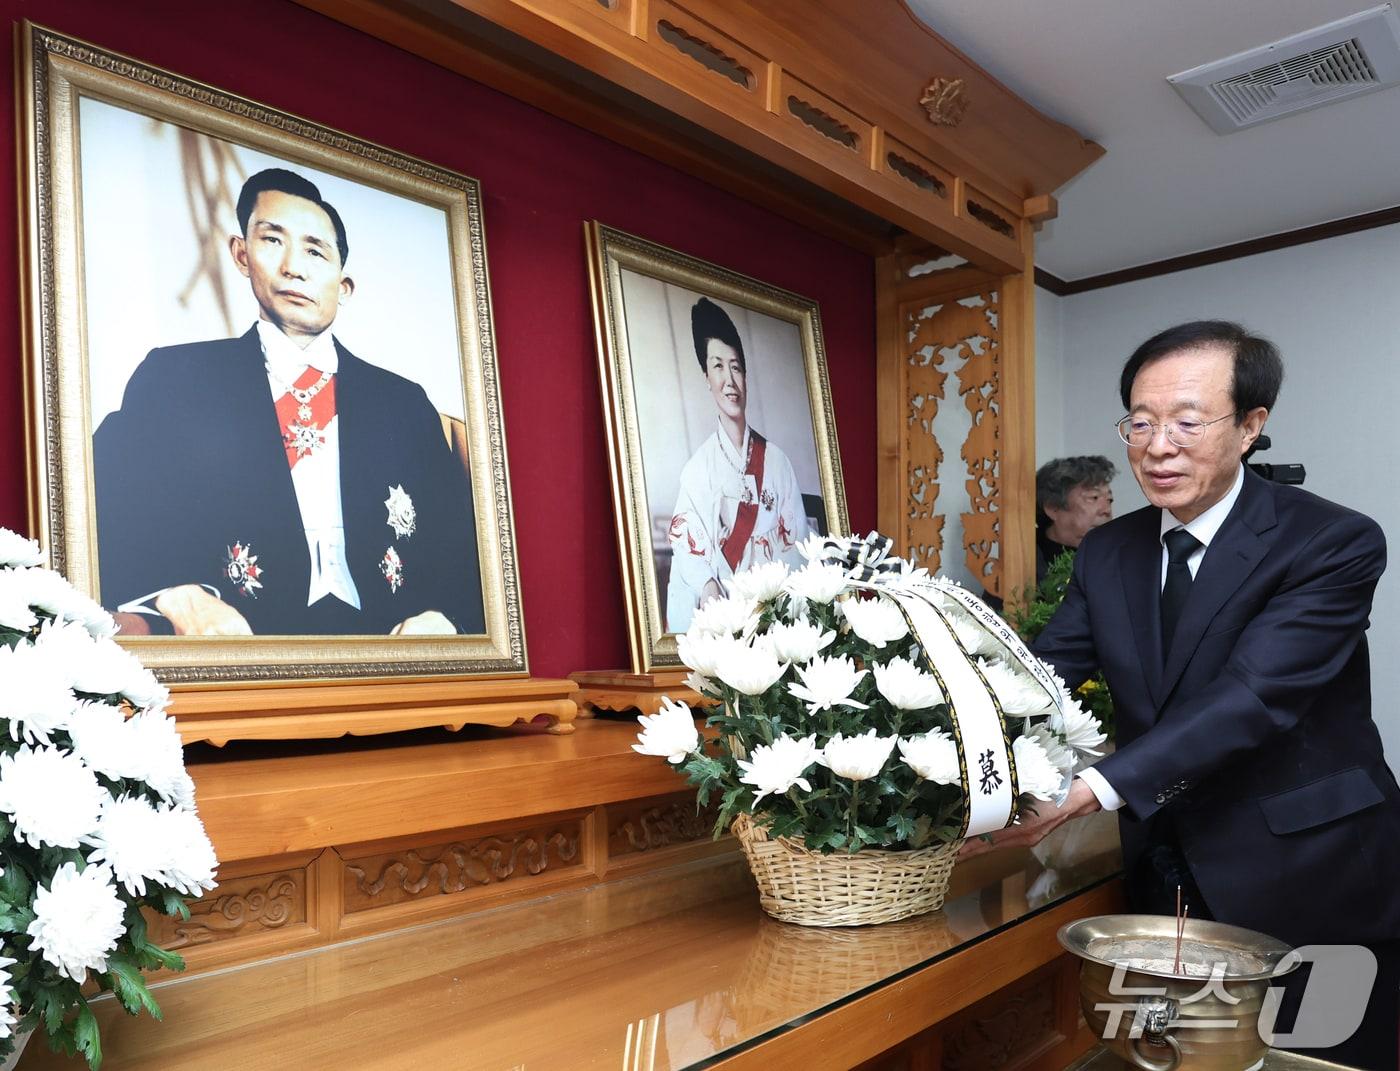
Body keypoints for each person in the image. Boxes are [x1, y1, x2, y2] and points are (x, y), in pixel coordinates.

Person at [963, 321, 1400, 1068]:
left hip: (1308, 867)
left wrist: (1093, 786)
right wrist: (936, 734)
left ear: (1251, 425)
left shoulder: (1332, 541)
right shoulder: (1109, 549)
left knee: (1314, 1055)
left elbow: (1252, 697)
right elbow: (1038, 675)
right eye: (1141, 421)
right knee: (1173, 1055)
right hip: (1164, 867)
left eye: (1187, 422)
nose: (1157, 446)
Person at [93, 168, 483, 636]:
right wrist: (172, 594)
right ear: (242, 255)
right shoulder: (175, 379)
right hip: (245, 643)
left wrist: (443, 618)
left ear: (343, 286)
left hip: (387, 645)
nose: (294, 266)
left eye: (315, 251)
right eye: (273, 240)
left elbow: (459, 544)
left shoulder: (403, 401)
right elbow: (102, 511)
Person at [665, 298, 809, 632]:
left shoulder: (777, 462)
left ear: (745, 375)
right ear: (706, 376)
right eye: (718, 366)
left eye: (736, 366)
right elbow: (687, 548)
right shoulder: (698, 469)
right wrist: (708, 586)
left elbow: (796, 543)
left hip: (772, 612)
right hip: (723, 613)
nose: (729, 380)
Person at [1034, 455, 1115, 580]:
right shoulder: (1026, 561)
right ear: (1053, 508)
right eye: (1093, 497)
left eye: (1109, 500)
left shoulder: (1116, 555)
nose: (1107, 510)